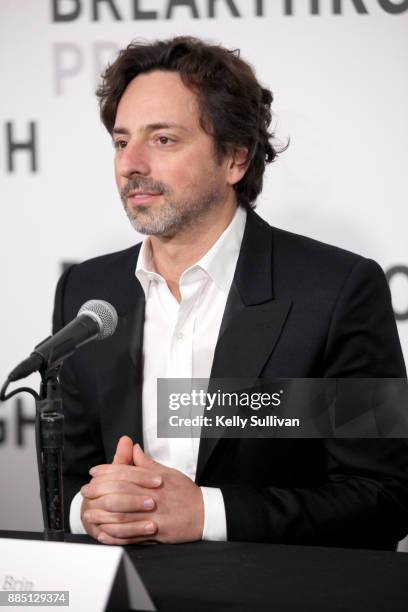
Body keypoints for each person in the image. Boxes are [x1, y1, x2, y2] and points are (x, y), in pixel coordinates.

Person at [53, 36, 408, 549]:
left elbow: (384, 497)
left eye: (163, 140)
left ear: (235, 159)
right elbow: (71, 476)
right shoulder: (89, 293)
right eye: (120, 140)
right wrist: (89, 511)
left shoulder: (334, 292)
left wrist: (207, 512)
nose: (130, 163)